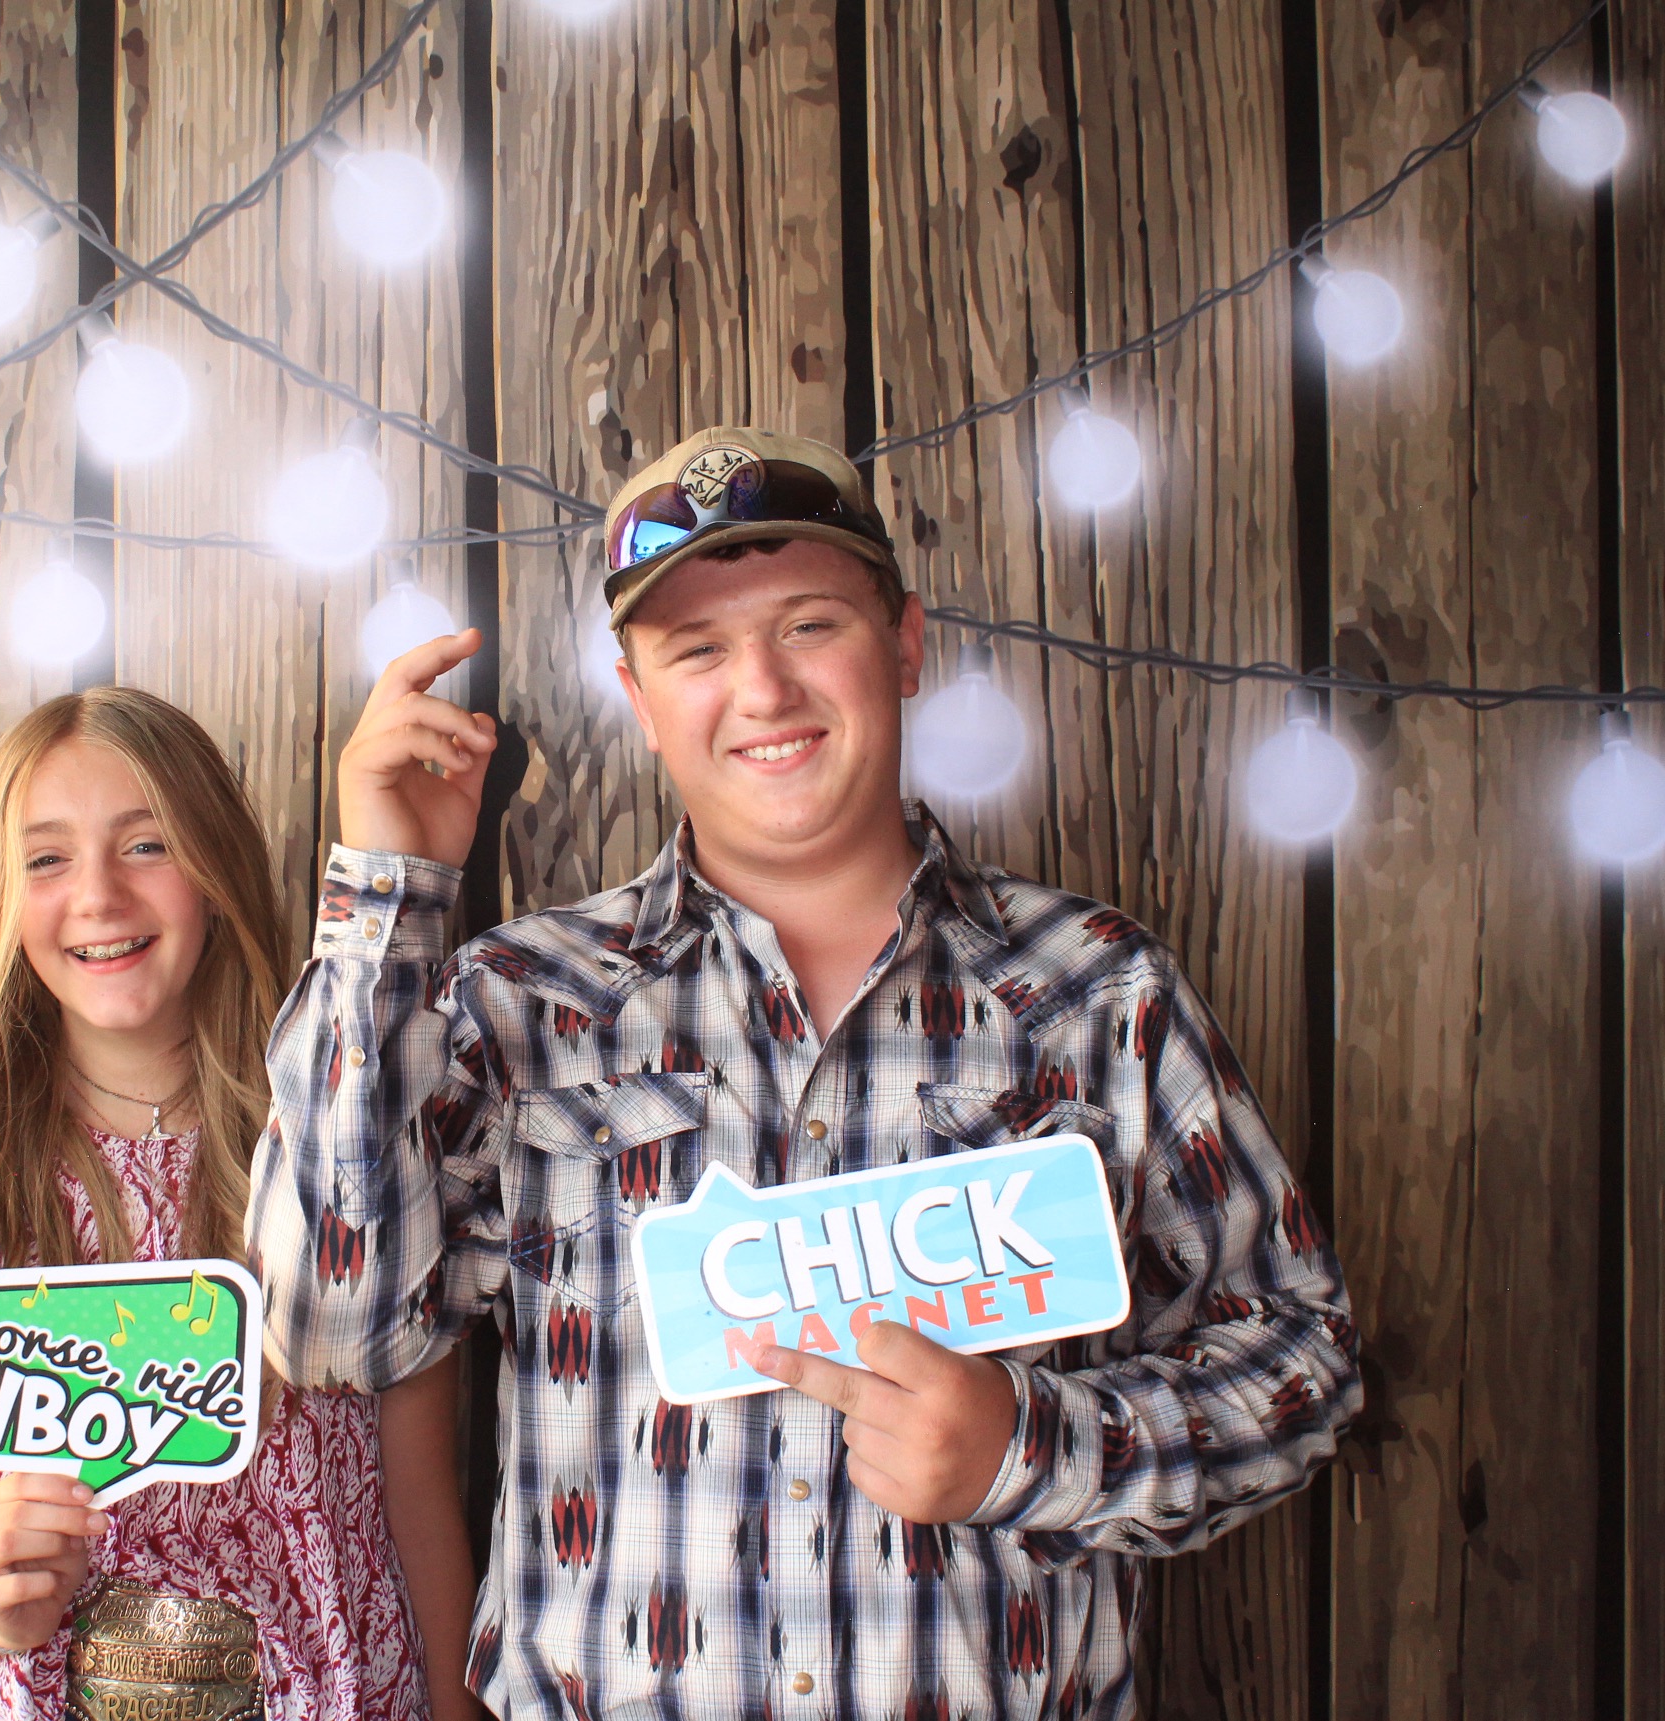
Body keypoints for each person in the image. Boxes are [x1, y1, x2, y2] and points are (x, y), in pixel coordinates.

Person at [248, 427, 1361, 1717]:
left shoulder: (1095, 990)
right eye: (699, 649)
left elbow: (1304, 1358)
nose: (764, 688)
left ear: (904, 643)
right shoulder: (522, 1001)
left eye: (810, 625)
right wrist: (386, 896)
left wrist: (1036, 1445)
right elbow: (330, 1327)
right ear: (640, 700)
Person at [0, 686, 483, 1721]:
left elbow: (421, 1506)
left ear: (215, 868)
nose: (99, 896)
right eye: (45, 859)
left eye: (147, 845)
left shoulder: (340, 1128)